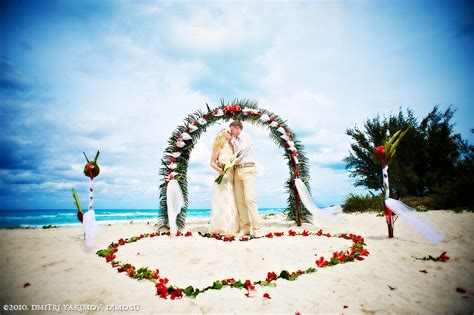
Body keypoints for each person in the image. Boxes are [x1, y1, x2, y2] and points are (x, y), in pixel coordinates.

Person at [229, 120, 261, 237]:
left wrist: (229, 163)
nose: (231, 132)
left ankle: (257, 228)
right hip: (237, 170)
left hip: (248, 169)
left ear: (238, 128)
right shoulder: (234, 140)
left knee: (250, 199)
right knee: (240, 201)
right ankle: (245, 228)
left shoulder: (246, 137)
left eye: (232, 129)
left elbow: (240, 153)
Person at [208, 128, 240, 236]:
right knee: (223, 201)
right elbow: (212, 163)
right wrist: (220, 171)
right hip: (222, 177)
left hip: (232, 177)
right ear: (222, 134)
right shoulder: (218, 147)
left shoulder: (233, 147)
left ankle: (233, 226)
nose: (230, 132)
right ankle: (222, 227)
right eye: (227, 131)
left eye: (230, 131)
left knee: (232, 200)